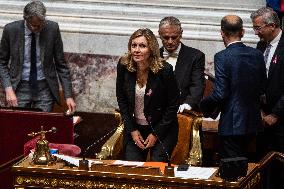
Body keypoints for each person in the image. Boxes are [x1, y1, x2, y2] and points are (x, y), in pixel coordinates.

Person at [200, 15, 266, 160]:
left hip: (232, 125)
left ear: (222, 32)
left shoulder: (222, 56)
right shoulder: (257, 55)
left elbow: (220, 93)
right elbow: (262, 87)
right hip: (254, 124)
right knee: (252, 172)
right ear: (242, 32)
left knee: (233, 172)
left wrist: (203, 106)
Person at [116, 28, 179, 162]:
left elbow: (173, 105)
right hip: (135, 128)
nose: (136, 50)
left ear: (151, 49)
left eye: (142, 46)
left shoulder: (165, 70)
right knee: (132, 169)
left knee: (156, 167)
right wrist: (132, 130)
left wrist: (156, 134)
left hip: (162, 128)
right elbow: (122, 99)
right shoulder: (124, 65)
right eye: (134, 45)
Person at [0, 1, 76, 112]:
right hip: (19, 87)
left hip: (44, 88)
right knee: (20, 126)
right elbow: (1, 62)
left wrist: (68, 96)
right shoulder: (11, 30)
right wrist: (8, 89)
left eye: (41, 24)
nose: (38, 28)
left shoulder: (52, 29)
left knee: (42, 126)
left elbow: (61, 65)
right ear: (25, 19)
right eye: (34, 26)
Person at [251, 7, 284, 188]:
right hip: (263, 120)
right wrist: (261, 110)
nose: (256, 33)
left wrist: (276, 114)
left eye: (258, 28)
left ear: (271, 25)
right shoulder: (261, 45)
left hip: (281, 121)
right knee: (264, 167)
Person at [158, 16, 205, 112]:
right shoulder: (152, 56)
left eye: (174, 37)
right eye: (166, 37)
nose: (170, 41)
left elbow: (197, 85)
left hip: (184, 112)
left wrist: (188, 104)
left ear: (181, 34)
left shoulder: (196, 56)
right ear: (159, 34)